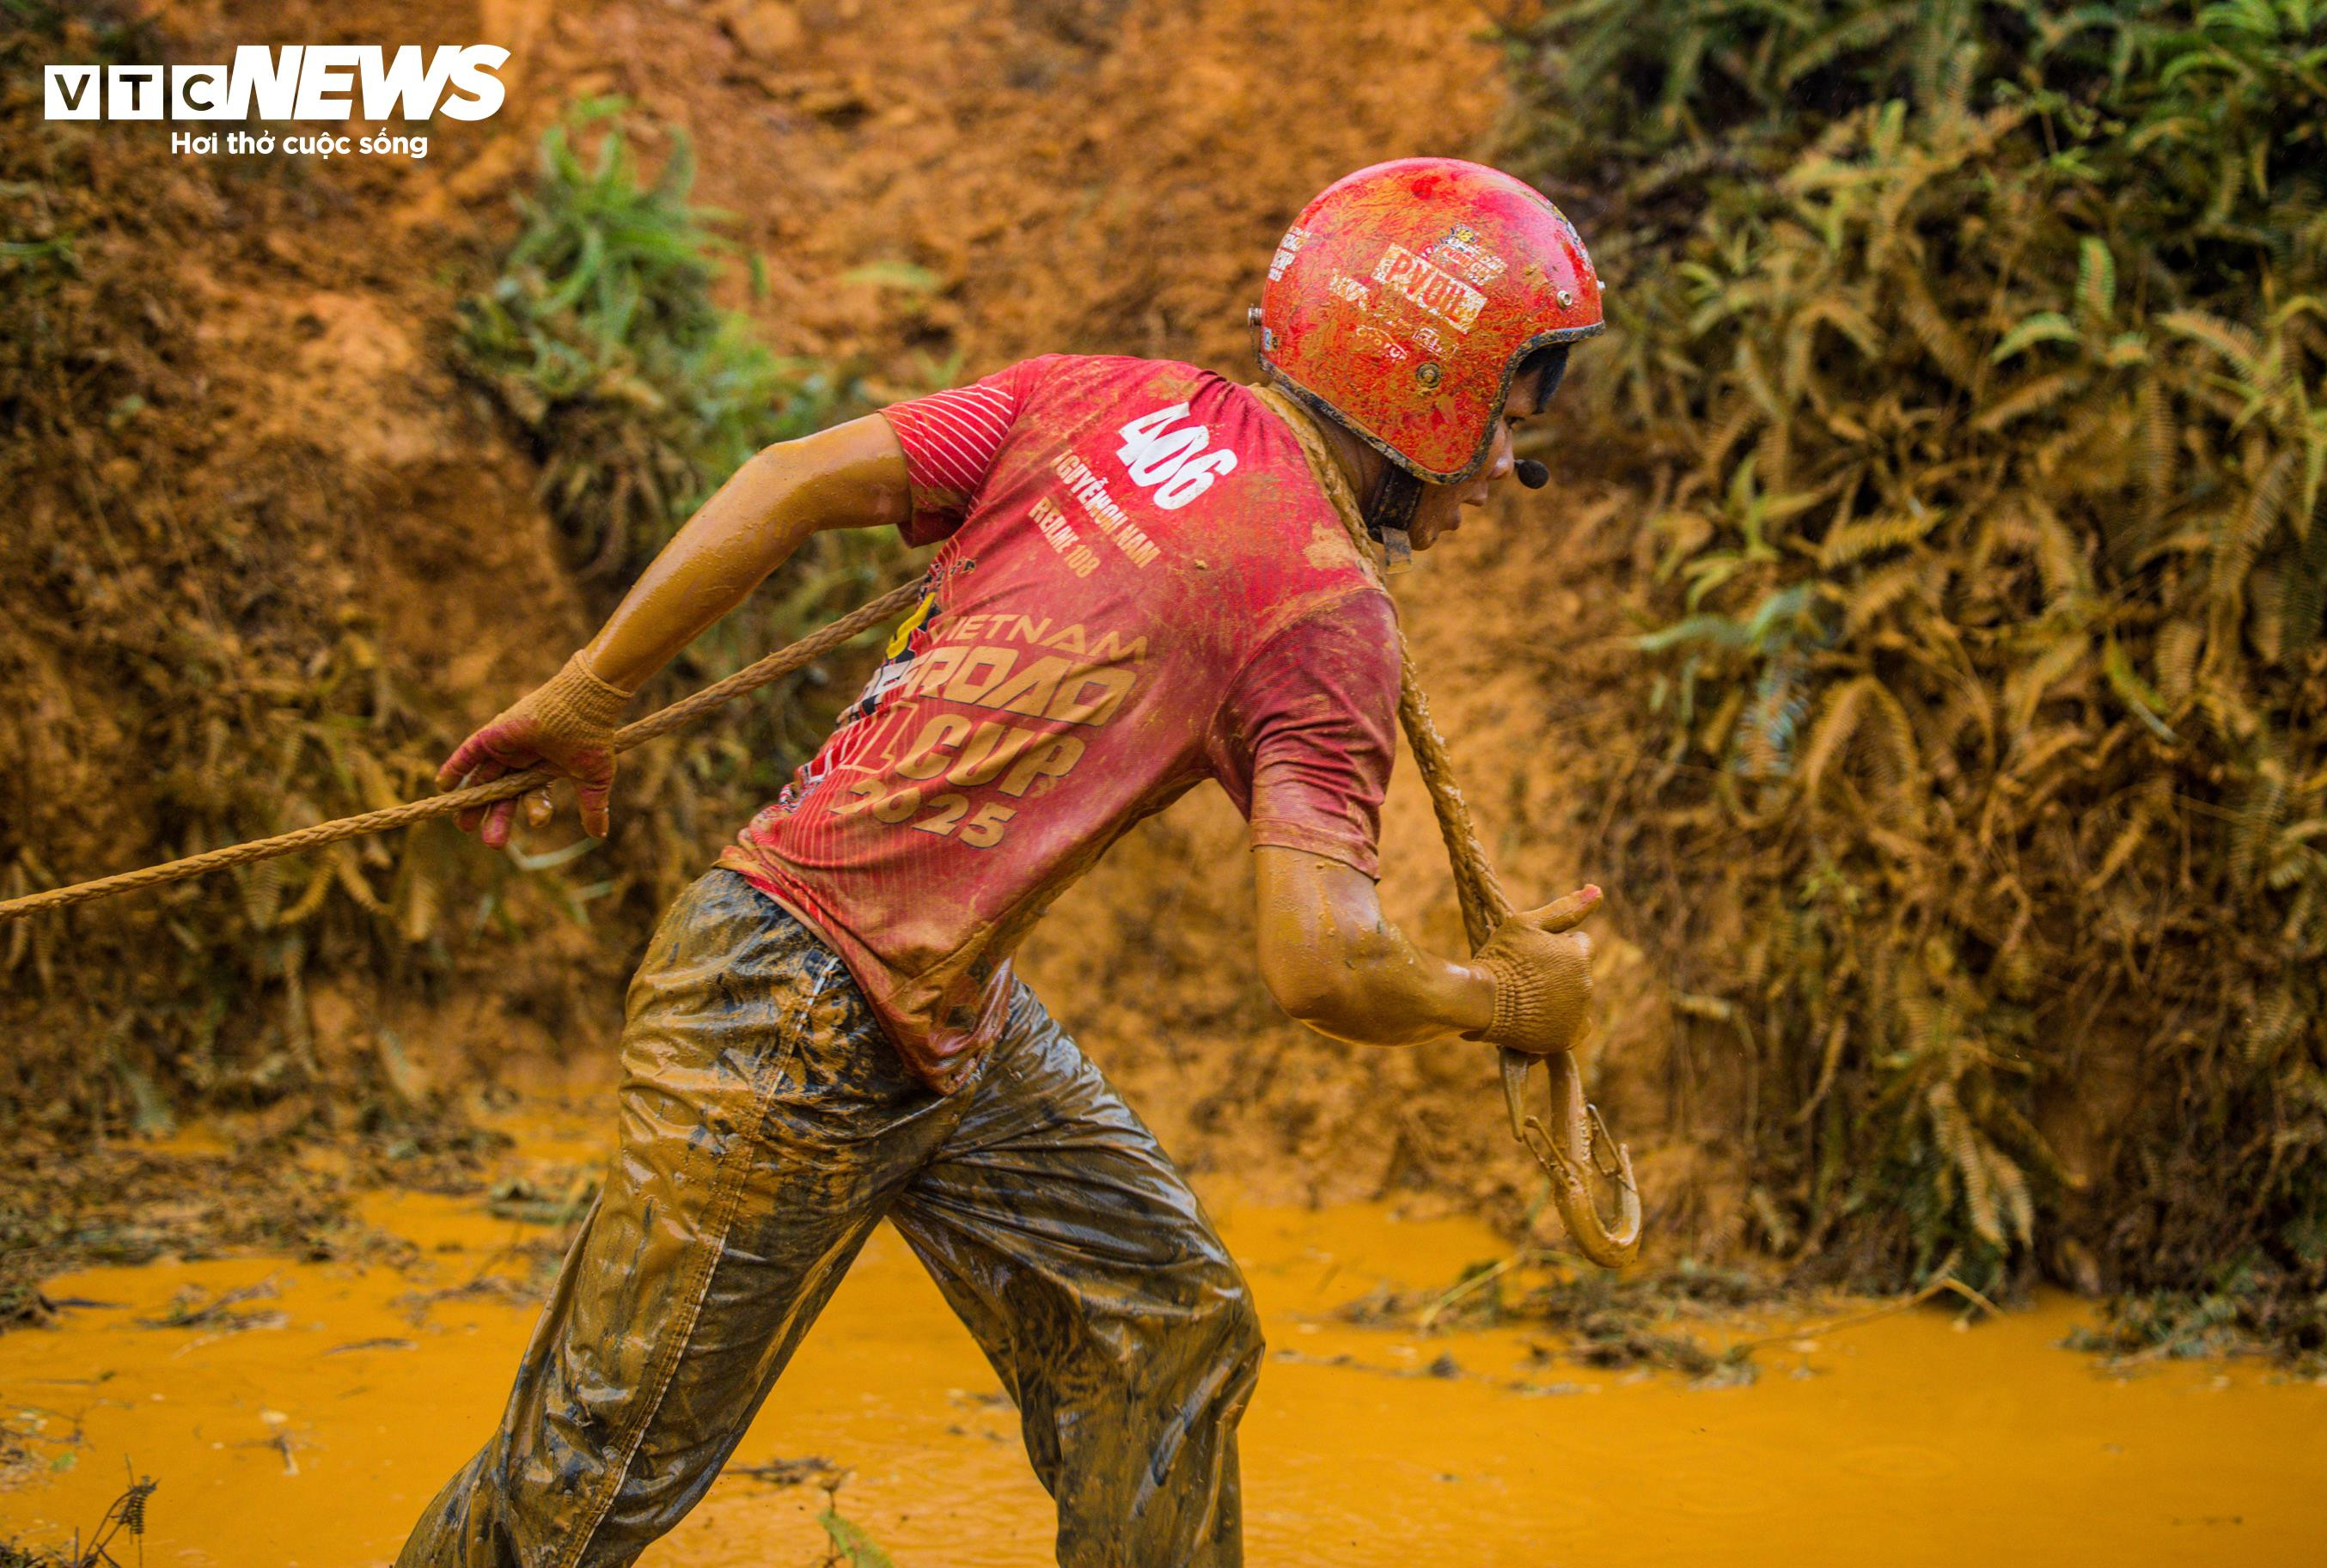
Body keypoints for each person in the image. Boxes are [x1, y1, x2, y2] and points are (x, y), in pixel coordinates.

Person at [400, 157, 1608, 1568]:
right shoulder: (1328, 613)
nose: (1510, 474)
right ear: (1431, 395)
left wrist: (589, 696)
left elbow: (786, 479)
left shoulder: (1105, 395)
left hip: (904, 996)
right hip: (789, 1021)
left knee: (1157, 1322)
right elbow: (1321, 961)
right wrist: (1505, 1001)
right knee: (584, 1479)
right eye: (1512, 425)